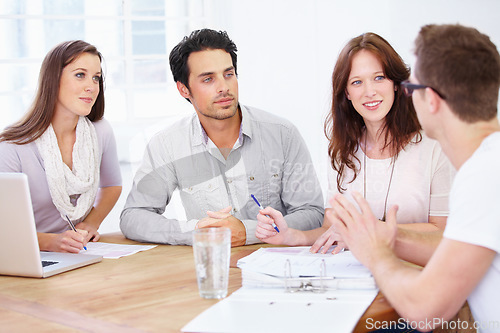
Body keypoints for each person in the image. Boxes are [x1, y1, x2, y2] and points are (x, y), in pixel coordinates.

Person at [328, 24, 500, 331]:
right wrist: (376, 234)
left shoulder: (484, 178)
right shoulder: (488, 166)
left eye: (413, 87)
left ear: (430, 100)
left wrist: (377, 254)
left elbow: (423, 309)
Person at [256, 33, 454, 263]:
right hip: (357, 274)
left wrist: (366, 231)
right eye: (357, 82)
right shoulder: (342, 151)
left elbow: (442, 232)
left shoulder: (434, 147)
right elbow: (332, 231)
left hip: (415, 271)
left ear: (396, 84)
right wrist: (290, 235)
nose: (369, 91)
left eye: (379, 78)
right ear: (347, 93)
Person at [120, 29, 324, 247]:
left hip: (276, 263)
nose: (224, 87)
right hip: (212, 265)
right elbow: (133, 217)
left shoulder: (282, 134)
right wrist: (199, 231)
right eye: (208, 79)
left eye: (229, 74)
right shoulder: (167, 144)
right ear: (184, 90)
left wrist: (248, 231)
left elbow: (312, 213)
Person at [0, 40, 122, 254]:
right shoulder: (12, 145)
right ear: (53, 80)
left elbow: (112, 185)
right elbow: (5, 229)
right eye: (79, 75)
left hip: (79, 252)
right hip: (27, 255)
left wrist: (91, 223)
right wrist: (52, 243)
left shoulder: (100, 131)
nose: (91, 86)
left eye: (96, 78)